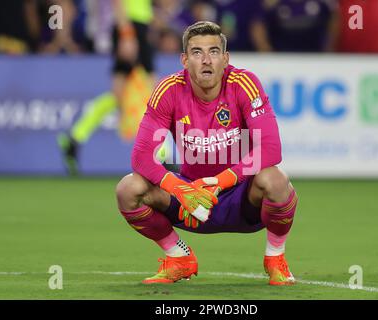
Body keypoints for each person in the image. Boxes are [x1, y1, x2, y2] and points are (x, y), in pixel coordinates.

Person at [115, 21, 299, 285]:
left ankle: (275, 258)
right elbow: (141, 156)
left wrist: (220, 181)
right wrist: (180, 188)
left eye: (213, 52)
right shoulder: (168, 90)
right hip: (189, 199)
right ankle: (179, 257)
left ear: (225, 59)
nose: (206, 60)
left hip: (242, 196)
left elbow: (271, 149)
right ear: (184, 59)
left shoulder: (244, 83)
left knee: (276, 180)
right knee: (128, 189)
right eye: (197, 52)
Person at [58, 0, 155, 175]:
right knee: (149, 93)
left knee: (122, 95)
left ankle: (75, 136)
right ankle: (164, 157)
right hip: (130, 27)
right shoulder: (128, 29)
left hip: (137, 26)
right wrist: (126, 33)